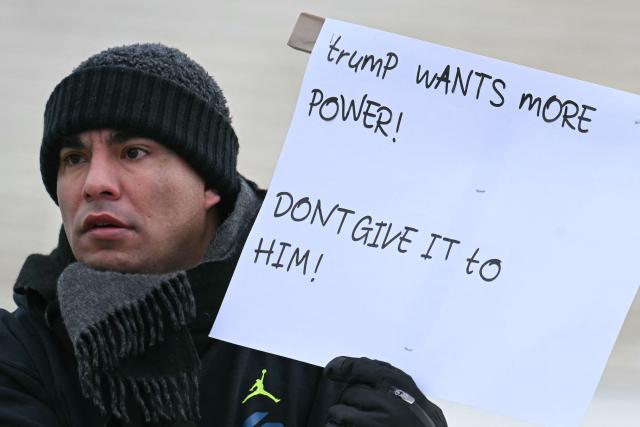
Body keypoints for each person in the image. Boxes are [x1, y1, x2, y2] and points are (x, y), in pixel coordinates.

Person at [0, 43, 447, 427]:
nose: (94, 182)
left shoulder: (326, 328)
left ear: (210, 183)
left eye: (133, 152)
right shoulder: (22, 352)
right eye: (73, 158)